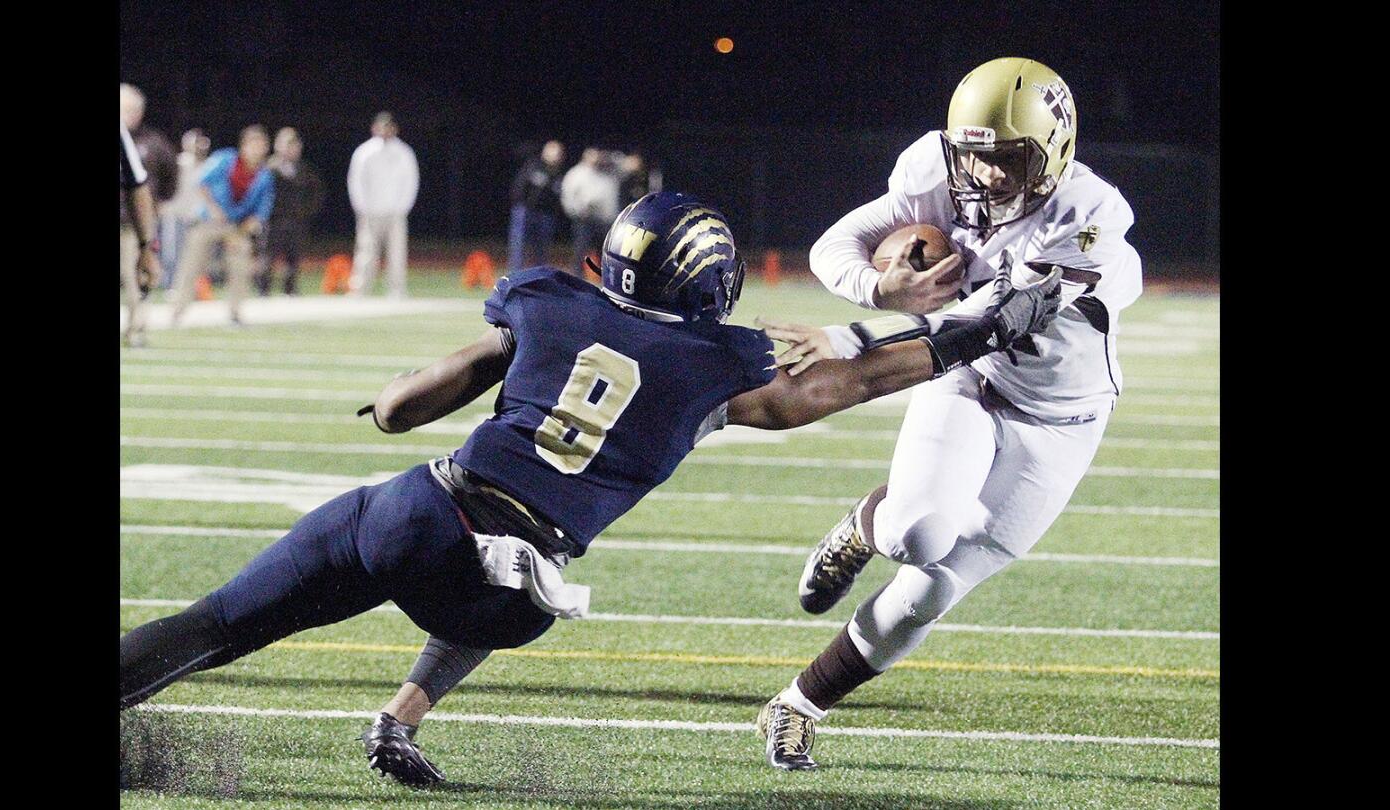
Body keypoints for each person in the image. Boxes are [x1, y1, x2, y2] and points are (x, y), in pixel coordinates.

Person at [118, 191, 1060, 788]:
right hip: (512, 586)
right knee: (513, 569)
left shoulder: (546, 299)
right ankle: (402, 716)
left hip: (416, 509)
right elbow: (843, 384)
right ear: (712, 287)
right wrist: (971, 333)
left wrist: (397, 400)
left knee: (220, 624)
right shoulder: (712, 363)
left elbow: (407, 407)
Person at [750, 57, 1143, 771]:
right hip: (967, 382)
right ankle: (873, 521)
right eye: (973, 155)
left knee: (931, 589)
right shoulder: (935, 169)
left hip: (1062, 418)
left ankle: (796, 704)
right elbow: (831, 247)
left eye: (1006, 159)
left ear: (1052, 154)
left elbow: (992, 321)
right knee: (916, 534)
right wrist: (881, 288)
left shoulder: (1090, 218)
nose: (984, 175)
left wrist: (845, 338)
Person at [171, 125, 276, 326]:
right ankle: (177, 311)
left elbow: (261, 212)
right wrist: (213, 209)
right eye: (254, 144)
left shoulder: (264, 176)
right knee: (191, 264)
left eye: (261, 146)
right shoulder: (225, 159)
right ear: (244, 145)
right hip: (209, 222)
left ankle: (235, 313)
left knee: (240, 264)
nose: (258, 150)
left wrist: (243, 230)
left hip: (236, 227)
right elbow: (201, 182)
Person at [348, 112, 419, 298]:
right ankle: (360, 289)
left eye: (389, 126)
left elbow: (411, 181)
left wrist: (403, 207)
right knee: (366, 252)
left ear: (394, 129)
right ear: (374, 128)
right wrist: (361, 207)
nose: (385, 130)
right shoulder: (364, 152)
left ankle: (396, 289)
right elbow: (356, 181)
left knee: (397, 253)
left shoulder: (404, 152)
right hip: (370, 211)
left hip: (395, 211)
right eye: (382, 126)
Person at [258, 127, 324, 296]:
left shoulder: (304, 170)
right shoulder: (268, 168)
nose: (291, 148)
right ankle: (263, 291)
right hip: (274, 221)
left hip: (297, 221)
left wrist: (306, 211)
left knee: (293, 258)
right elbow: (259, 195)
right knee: (268, 257)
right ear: (278, 146)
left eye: (294, 144)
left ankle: (290, 290)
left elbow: (316, 193)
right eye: (287, 144)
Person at [119, 119, 164, 347]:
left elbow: (138, 186)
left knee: (133, 282)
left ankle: (136, 328)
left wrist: (146, 246)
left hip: (125, 224)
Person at [162, 128, 212, 290]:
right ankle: (172, 286)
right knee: (173, 253)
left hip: (198, 216)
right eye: (195, 142)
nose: (199, 145)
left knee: (194, 255)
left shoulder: (208, 165)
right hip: (177, 213)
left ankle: (193, 286)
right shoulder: (180, 163)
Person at [506, 140, 565, 273]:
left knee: (542, 249)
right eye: (553, 153)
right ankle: (514, 277)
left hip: (545, 215)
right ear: (545, 153)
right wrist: (520, 205)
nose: (555, 156)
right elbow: (519, 187)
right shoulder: (533, 166)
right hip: (526, 211)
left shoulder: (559, 174)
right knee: (519, 247)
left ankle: (539, 278)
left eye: (558, 154)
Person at [559, 148, 622, 269]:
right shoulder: (576, 173)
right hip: (584, 219)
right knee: (580, 250)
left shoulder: (608, 172)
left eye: (598, 156)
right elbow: (567, 195)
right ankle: (577, 278)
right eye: (592, 156)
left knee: (606, 252)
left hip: (604, 220)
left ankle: (607, 279)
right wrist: (576, 211)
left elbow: (626, 164)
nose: (596, 159)